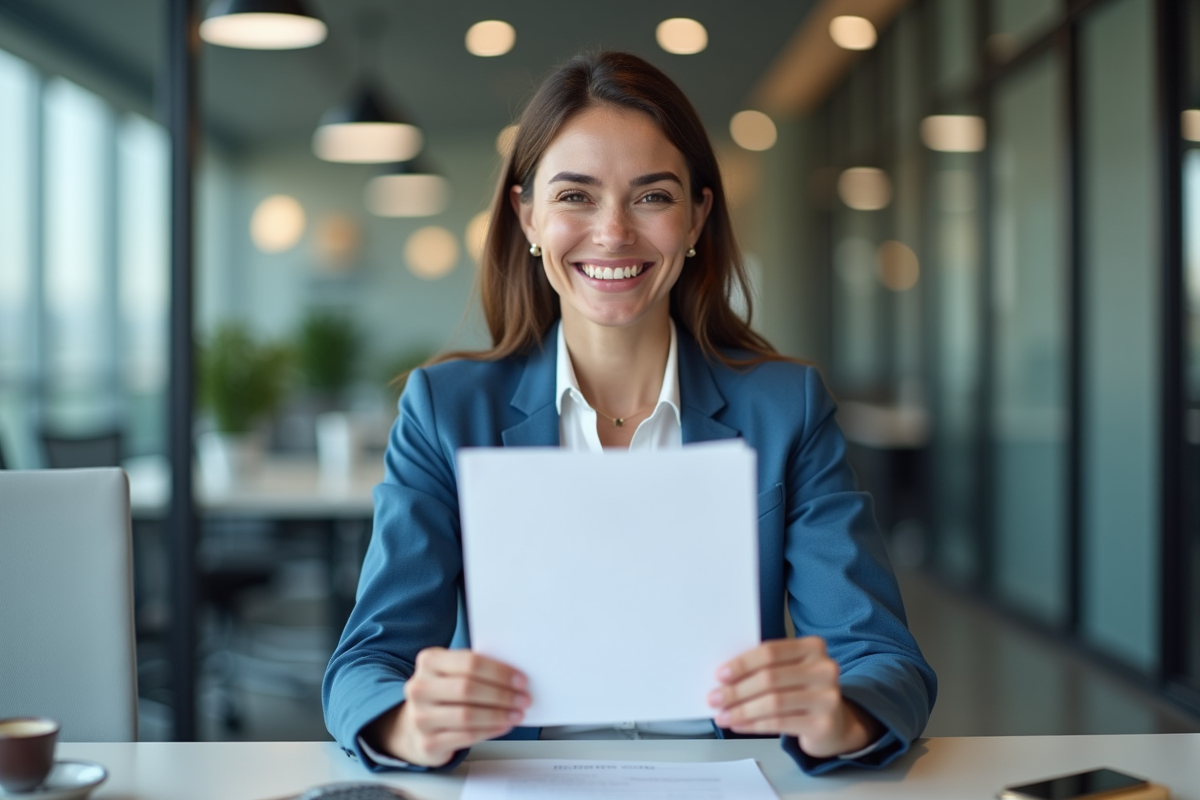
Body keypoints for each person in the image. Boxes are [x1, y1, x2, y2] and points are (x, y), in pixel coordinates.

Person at [323, 50, 936, 775]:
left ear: (697, 216)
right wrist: (407, 724)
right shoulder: (445, 411)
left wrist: (839, 714)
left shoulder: (786, 409)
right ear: (526, 215)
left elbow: (884, 660)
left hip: (728, 784)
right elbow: (365, 664)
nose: (613, 232)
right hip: (514, 783)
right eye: (575, 196)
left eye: (651, 196)